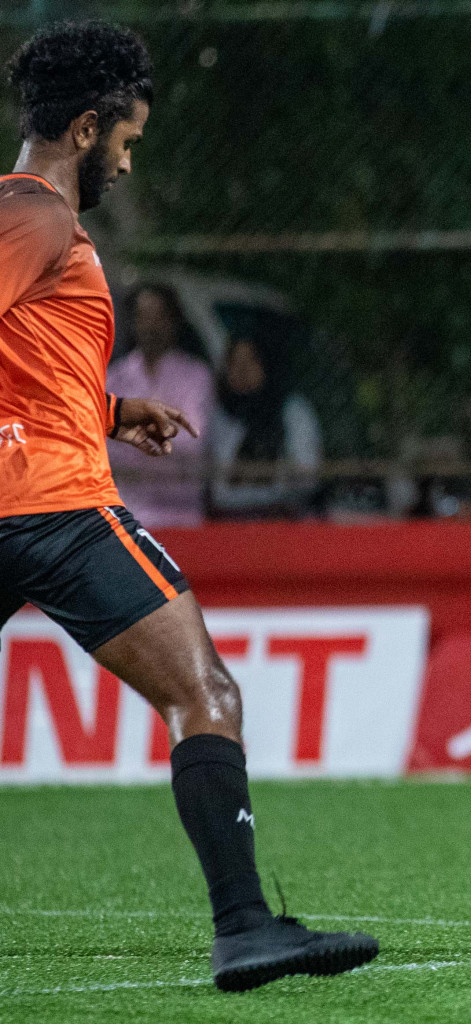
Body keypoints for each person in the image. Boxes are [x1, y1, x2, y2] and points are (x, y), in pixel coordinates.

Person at [0, 22, 376, 991]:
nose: (130, 156)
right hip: (51, 510)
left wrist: (116, 409)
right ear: (87, 126)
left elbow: (25, 369)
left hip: (23, 494)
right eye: (127, 136)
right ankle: (246, 926)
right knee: (202, 691)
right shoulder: (35, 213)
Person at [106, 283, 215, 527]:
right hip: (125, 516)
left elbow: (193, 441)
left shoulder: (196, 376)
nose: (150, 325)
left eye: (158, 316)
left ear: (173, 321)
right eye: (143, 316)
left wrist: (132, 435)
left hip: (182, 517)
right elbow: (103, 446)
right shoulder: (115, 378)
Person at [208, 335, 323, 518]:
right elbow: (215, 486)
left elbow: (308, 476)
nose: (242, 370)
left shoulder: (293, 412)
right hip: (227, 521)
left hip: (281, 520)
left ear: (268, 365)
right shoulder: (220, 415)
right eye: (235, 362)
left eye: (251, 361)